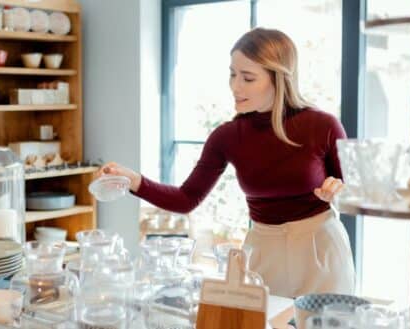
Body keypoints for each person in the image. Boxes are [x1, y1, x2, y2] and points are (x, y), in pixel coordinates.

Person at [98, 28, 354, 298]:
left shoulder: (323, 126)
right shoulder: (227, 136)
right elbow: (186, 199)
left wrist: (339, 191)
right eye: (233, 74)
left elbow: (353, 193)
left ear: (279, 78)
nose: (235, 86)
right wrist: (133, 180)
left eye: (248, 77)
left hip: (321, 248)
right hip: (263, 252)